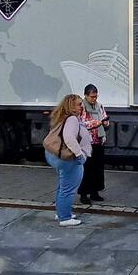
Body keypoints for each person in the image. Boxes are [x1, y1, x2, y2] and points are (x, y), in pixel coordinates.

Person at [44, 93, 92, 227]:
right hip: (68, 159)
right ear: (71, 105)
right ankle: (65, 218)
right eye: (79, 104)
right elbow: (69, 137)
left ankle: (61, 213)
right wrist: (79, 154)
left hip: (56, 157)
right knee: (68, 188)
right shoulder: (72, 119)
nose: (81, 107)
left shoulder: (62, 117)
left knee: (63, 186)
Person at [77, 84, 109, 205]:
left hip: (99, 141)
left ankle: (95, 192)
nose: (94, 99)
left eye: (96, 96)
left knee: (98, 168)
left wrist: (105, 123)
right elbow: (82, 123)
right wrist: (97, 122)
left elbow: (104, 117)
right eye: (92, 97)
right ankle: (84, 193)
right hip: (86, 142)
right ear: (86, 95)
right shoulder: (81, 107)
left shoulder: (99, 106)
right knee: (86, 168)